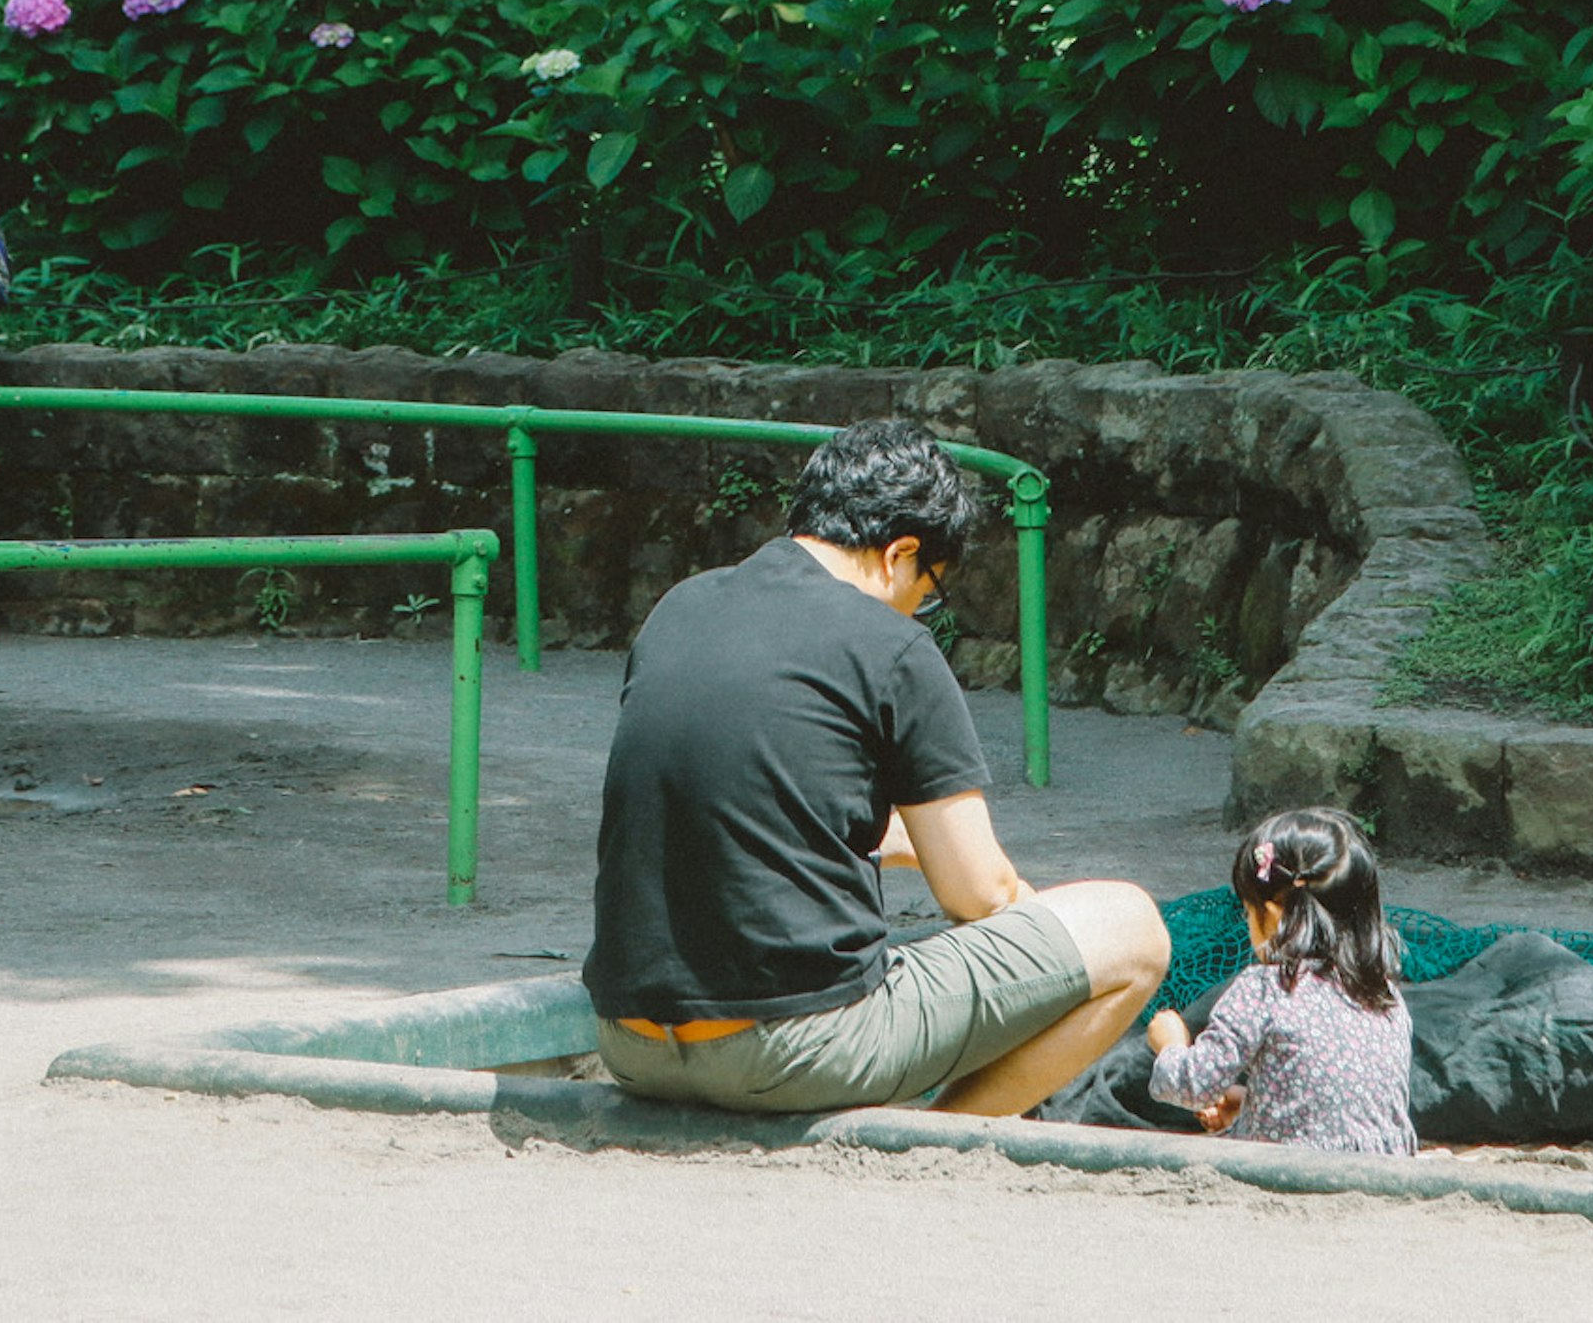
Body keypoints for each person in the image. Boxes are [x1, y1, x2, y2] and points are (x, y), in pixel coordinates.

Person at [583, 419, 1169, 1118]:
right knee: (1132, 929)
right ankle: (944, 1136)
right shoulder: (892, 645)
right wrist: (1043, 949)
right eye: (929, 587)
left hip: (632, 1045)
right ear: (902, 552)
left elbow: (721, 800)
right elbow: (979, 894)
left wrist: (890, 842)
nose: (921, 605)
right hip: (794, 1051)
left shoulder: (679, 608)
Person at [1142, 808, 1417, 1155]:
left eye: (1248, 911)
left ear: (1270, 916)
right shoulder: (1384, 993)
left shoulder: (1264, 988)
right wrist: (1249, 1102)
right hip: (1386, 1167)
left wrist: (1171, 1044)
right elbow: (1342, 1102)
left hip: (1293, 1170)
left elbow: (1191, 1087)